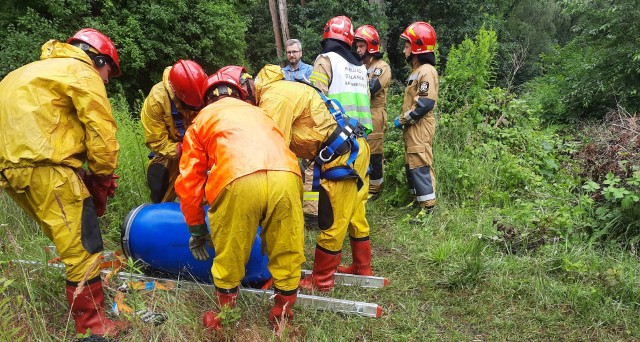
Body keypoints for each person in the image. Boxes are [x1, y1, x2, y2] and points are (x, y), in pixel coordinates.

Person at [0, 28, 127, 337]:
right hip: (51, 172)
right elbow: (101, 134)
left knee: (65, 238)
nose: (107, 80)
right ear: (97, 59)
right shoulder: (81, 72)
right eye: (108, 71)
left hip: (10, 173)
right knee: (84, 248)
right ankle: (93, 327)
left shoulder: (19, 74)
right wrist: (102, 175)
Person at [175, 67, 304, 331]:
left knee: (230, 253)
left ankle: (222, 320)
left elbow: (190, 183)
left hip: (237, 178)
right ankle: (283, 320)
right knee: (287, 250)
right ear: (239, 91)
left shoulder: (201, 120)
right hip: (287, 177)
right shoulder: (260, 114)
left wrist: (197, 229)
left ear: (207, 98)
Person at [252, 64, 372, 292]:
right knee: (354, 213)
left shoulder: (273, 98)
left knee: (332, 219)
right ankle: (362, 266)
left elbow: (273, 149)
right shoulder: (286, 87)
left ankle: (322, 280)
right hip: (355, 145)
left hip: (342, 155)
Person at [141, 59, 208, 203]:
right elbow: (157, 142)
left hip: (200, 148)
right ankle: (162, 213)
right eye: (193, 107)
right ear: (180, 97)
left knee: (207, 189)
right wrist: (181, 149)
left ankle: (205, 216)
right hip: (172, 151)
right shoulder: (156, 100)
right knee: (159, 175)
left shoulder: (203, 90)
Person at [394, 22, 439, 213]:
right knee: (412, 163)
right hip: (413, 128)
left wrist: (403, 119)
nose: (404, 50)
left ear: (417, 47)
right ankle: (417, 201)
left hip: (420, 126)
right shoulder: (417, 71)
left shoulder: (426, 71)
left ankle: (428, 208)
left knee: (420, 164)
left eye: (406, 46)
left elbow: (424, 104)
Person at [354, 25, 392, 199]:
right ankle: (362, 184)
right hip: (359, 112)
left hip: (375, 114)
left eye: (361, 46)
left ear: (371, 46)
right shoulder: (357, 66)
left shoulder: (381, 67)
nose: (358, 49)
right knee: (360, 149)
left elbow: (373, 88)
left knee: (375, 152)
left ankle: (375, 189)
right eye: (357, 46)